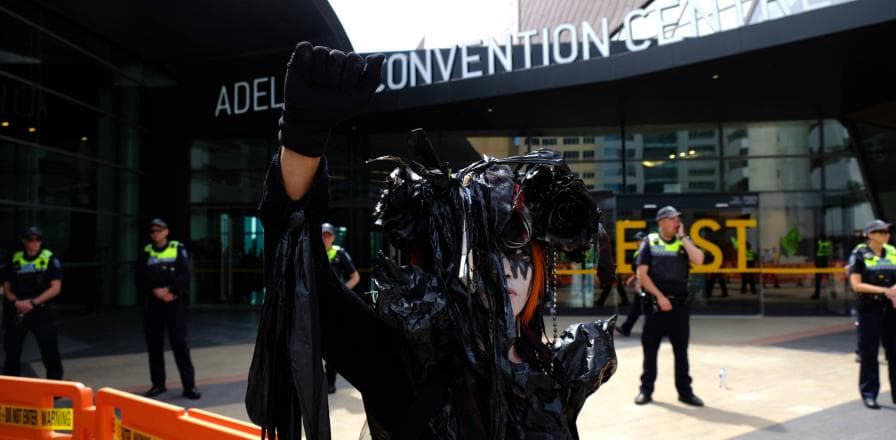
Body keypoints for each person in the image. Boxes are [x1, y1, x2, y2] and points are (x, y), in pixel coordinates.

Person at [244, 42, 618, 439]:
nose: (506, 269)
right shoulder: (403, 362)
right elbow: (301, 272)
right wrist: (302, 139)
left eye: (518, 251)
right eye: (483, 250)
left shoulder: (552, 367)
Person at [634, 206, 705, 407]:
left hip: (680, 306)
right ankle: (645, 390)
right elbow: (642, 274)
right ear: (661, 222)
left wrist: (684, 238)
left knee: (681, 351)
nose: (677, 223)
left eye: (678, 220)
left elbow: (699, 260)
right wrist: (660, 297)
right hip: (656, 305)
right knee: (650, 351)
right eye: (673, 219)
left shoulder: (683, 242)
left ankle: (685, 392)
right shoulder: (650, 242)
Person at [134, 218, 200, 400]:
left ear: (166, 231)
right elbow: (139, 277)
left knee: (180, 345)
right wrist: (155, 291)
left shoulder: (177, 248)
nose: (155, 234)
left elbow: (185, 275)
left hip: (173, 303)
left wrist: (169, 290)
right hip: (153, 304)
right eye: (152, 231)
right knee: (154, 345)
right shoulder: (147, 251)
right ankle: (158, 384)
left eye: (158, 230)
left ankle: (189, 387)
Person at [2, 226, 63, 380]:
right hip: (18, 311)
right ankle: (10, 385)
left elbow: (55, 288)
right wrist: (17, 303)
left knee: (49, 350)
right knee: (12, 350)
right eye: (31, 239)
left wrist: (33, 303)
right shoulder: (14, 259)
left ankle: (55, 385)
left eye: (38, 239)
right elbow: (7, 287)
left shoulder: (49, 258)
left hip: (41, 311)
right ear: (24, 241)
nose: (35, 243)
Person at [846, 219, 896, 410]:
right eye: (881, 232)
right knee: (869, 352)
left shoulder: (892, 251)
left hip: (891, 309)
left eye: (887, 231)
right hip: (869, 309)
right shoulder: (859, 254)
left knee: (894, 352)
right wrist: (885, 291)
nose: (886, 234)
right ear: (870, 235)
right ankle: (869, 394)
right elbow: (856, 284)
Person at [321, 222, 360, 394]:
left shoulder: (339, 253)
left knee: (331, 345)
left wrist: (342, 292)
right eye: (323, 234)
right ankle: (317, 382)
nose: (325, 238)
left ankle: (330, 382)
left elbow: (355, 277)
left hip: (333, 305)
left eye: (328, 235)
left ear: (334, 237)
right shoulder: (312, 252)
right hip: (314, 304)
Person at [616, 231, 646, 337]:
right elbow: (639, 269)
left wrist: (637, 280)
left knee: (644, 308)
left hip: (646, 284)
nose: (637, 242)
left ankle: (626, 328)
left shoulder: (645, 252)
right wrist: (633, 278)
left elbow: (644, 269)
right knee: (638, 308)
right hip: (644, 283)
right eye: (636, 241)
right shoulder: (639, 252)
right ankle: (626, 328)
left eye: (639, 240)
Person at [812, 235, 834, 299]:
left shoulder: (819, 242)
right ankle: (832, 293)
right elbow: (831, 252)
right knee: (829, 278)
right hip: (826, 262)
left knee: (818, 279)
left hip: (820, 262)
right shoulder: (828, 243)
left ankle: (817, 294)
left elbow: (815, 251)